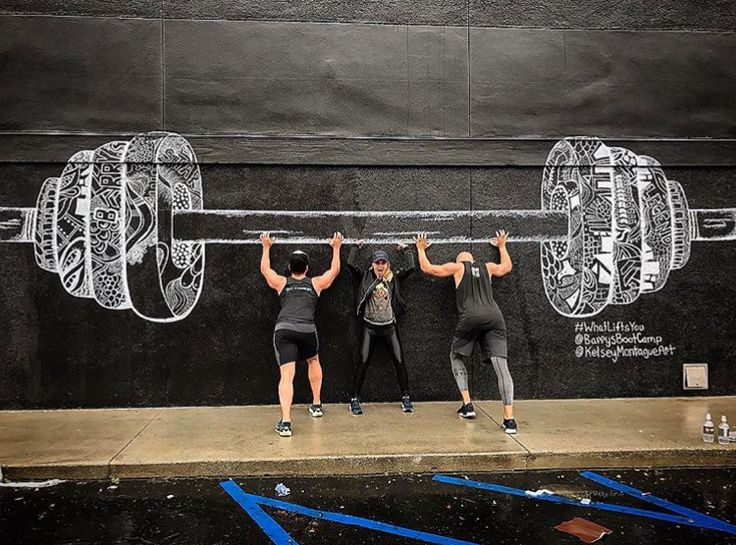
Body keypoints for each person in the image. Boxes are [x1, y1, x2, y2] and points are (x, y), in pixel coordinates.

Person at [415, 230, 517, 434]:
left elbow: (428, 269)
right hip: (494, 317)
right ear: (474, 259)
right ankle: (509, 420)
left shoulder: (457, 267)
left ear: (460, 260)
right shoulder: (487, 267)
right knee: (501, 366)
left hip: (470, 317)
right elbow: (506, 267)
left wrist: (420, 249)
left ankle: (468, 405)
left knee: (455, 355)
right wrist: (502, 246)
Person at [259, 231, 344, 437]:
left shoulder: (282, 282)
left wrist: (266, 247)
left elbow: (265, 270)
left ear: (289, 268)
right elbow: (334, 271)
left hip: (285, 329)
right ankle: (316, 405)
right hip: (306, 329)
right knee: (313, 361)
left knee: (287, 375)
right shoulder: (315, 283)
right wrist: (336, 248)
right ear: (307, 268)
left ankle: (286, 422)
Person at [346, 241, 416, 415]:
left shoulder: (394, 278)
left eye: (383, 263)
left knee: (400, 361)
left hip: (389, 328)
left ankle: (406, 398)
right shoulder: (365, 276)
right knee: (362, 362)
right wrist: (355, 247)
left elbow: (411, 268)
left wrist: (406, 250)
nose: (380, 266)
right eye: (377, 263)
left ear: (388, 265)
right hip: (369, 327)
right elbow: (349, 265)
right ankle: (354, 399)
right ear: (372, 265)